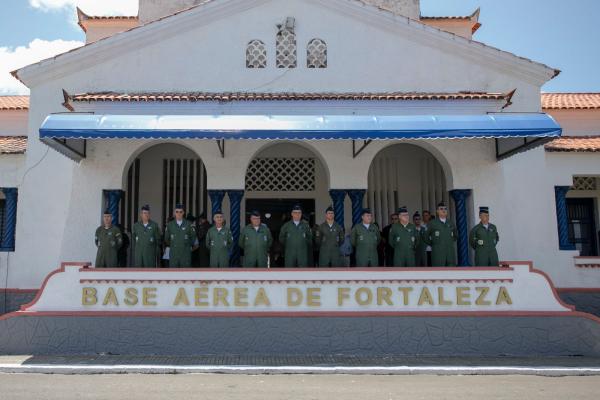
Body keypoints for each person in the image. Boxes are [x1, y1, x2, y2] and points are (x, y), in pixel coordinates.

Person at [424, 202, 457, 267]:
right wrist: (434, 243)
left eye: (445, 209)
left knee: (451, 273)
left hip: (450, 253)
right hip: (438, 254)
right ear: (437, 211)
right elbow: (425, 236)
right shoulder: (432, 223)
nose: (443, 210)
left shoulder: (451, 223)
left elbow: (455, 236)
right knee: (438, 273)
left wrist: (448, 242)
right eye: (441, 209)